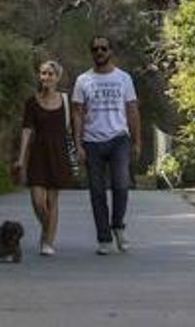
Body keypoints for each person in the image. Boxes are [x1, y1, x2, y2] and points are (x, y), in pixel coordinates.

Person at [72, 35, 140, 255]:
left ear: (111, 51)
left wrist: (137, 141)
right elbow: (77, 114)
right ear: (91, 53)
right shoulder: (83, 80)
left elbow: (132, 109)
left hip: (119, 137)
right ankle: (104, 238)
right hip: (92, 141)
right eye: (95, 49)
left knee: (121, 185)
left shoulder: (124, 78)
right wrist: (78, 145)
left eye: (103, 48)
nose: (99, 52)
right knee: (97, 191)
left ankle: (118, 225)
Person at [12, 60, 75, 256]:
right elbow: (26, 130)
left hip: (58, 152)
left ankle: (47, 241)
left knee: (52, 200)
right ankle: (47, 230)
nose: (45, 77)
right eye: (43, 73)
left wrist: (80, 148)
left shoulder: (65, 101)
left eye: (49, 74)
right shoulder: (32, 102)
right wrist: (21, 159)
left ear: (57, 77)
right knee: (38, 200)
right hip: (38, 153)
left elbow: (74, 125)